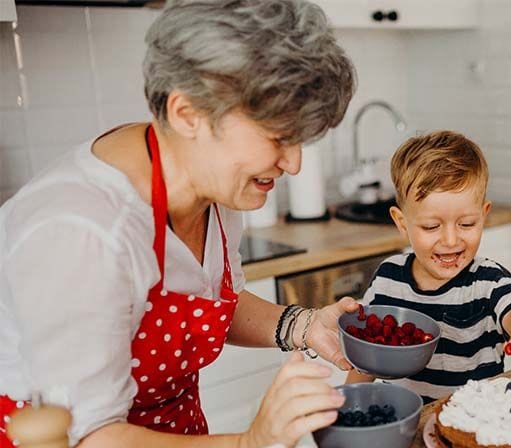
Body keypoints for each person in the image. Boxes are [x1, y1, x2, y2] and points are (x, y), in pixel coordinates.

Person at [0, 1, 358, 447]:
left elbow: (205, 306)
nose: (294, 163)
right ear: (187, 113)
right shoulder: (79, 232)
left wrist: (304, 325)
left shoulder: (213, 182)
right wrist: (250, 442)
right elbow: (87, 438)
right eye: (278, 137)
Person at [345, 130, 511, 403]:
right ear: (401, 223)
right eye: (431, 226)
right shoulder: (387, 278)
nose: (450, 240)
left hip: (475, 427)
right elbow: (368, 356)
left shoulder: (488, 280)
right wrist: (347, 404)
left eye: (467, 224)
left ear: (484, 215)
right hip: (407, 430)